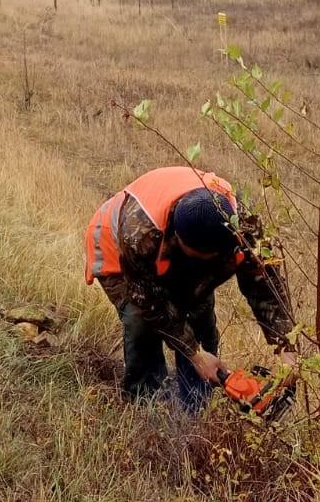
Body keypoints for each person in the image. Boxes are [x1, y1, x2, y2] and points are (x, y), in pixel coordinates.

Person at [85, 166, 295, 411]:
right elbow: (150, 303)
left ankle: (194, 408)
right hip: (114, 250)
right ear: (177, 237)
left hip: (173, 251)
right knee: (140, 322)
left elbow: (265, 286)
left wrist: (286, 348)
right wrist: (194, 354)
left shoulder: (245, 227)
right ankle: (147, 404)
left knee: (199, 316)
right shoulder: (140, 234)